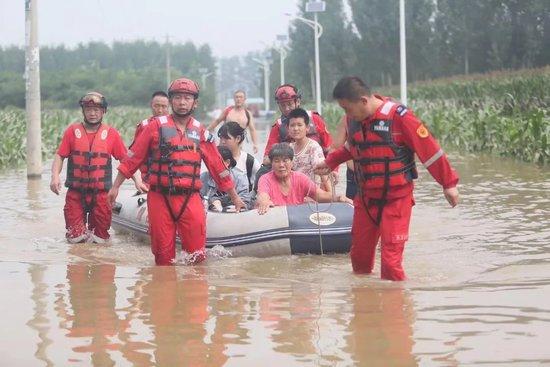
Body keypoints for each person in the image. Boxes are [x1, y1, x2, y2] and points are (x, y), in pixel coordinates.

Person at [315, 76, 460, 281]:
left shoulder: (400, 117)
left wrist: (449, 184)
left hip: (396, 199)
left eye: (347, 108)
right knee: (359, 260)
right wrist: (330, 162)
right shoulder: (353, 121)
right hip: (365, 199)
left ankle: (396, 309)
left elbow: (430, 150)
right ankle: (365, 308)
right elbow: (351, 147)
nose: (346, 114)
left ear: (364, 101)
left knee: (390, 264)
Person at [108, 77, 246, 265]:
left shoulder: (200, 132)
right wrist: (115, 187)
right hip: (160, 198)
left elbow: (218, 167)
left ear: (195, 103)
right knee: (163, 258)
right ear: (171, 100)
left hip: (190, 198)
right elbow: (133, 158)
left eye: (187, 98)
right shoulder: (154, 127)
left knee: (197, 257)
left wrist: (235, 197)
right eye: (178, 97)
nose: (182, 102)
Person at [50, 92, 130, 243]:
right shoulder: (72, 132)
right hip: (76, 193)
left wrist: (138, 181)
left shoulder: (111, 134)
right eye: (88, 109)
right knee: (75, 240)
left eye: (96, 110)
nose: (92, 113)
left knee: (100, 241)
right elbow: (60, 155)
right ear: (83, 111)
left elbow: (126, 161)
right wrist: (55, 176)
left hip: (101, 195)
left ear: (103, 111)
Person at [256, 143, 350, 215]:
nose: (281, 165)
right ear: (271, 164)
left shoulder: (300, 178)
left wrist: (339, 198)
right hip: (277, 222)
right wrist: (264, 202)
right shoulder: (265, 179)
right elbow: (263, 196)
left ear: (292, 162)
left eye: (285, 160)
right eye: (276, 161)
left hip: (298, 222)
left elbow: (321, 196)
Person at [262, 84, 332, 165]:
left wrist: (333, 170)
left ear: (298, 102)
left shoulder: (314, 119)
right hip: (291, 171)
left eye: (289, 104)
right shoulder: (278, 126)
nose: (286, 108)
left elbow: (330, 148)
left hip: (318, 169)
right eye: (282, 105)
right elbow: (267, 158)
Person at [130, 91, 170, 188]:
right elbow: (134, 154)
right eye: (156, 106)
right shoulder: (143, 126)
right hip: (148, 178)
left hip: (170, 177)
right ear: (151, 105)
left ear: (169, 107)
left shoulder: (176, 126)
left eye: (164, 106)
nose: (160, 110)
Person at [287, 108, 332, 192]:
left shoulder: (313, 147)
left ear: (307, 128)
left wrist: (330, 195)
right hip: (295, 193)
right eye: (292, 125)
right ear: (288, 129)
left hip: (312, 193)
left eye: (299, 125)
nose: (296, 128)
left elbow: (323, 173)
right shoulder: (289, 149)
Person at [200, 146, 252, 211]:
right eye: (209, 163)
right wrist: (213, 203)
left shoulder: (240, 177)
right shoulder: (203, 178)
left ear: (227, 162)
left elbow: (244, 203)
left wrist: (225, 207)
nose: (211, 166)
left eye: (215, 163)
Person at [207, 89, 259, 154]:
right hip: (224, 145)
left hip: (239, 147)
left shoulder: (247, 114)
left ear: (244, 99)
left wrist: (255, 144)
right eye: (236, 97)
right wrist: (206, 131)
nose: (238, 99)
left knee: (238, 162)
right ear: (234, 99)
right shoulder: (228, 110)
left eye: (241, 97)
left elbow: (252, 130)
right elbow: (217, 121)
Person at [217, 121, 261, 192]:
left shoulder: (250, 162)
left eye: (226, 138)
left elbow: (261, 187)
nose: (222, 142)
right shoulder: (216, 159)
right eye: (221, 138)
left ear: (238, 138)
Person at [331, 115, 357, 199]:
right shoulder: (347, 118)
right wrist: (333, 169)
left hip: (382, 176)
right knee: (353, 209)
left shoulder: (389, 116)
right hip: (354, 176)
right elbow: (336, 147)